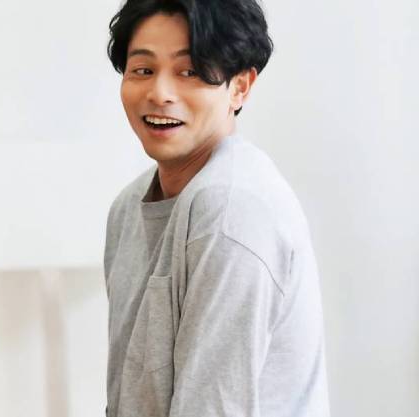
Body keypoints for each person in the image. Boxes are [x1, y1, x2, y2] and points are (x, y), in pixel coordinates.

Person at [103, 1, 330, 416]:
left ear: (240, 86)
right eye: (143, 70)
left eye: (189, 72)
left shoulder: (231, 210)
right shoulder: (127, 209)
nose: (160, 93)